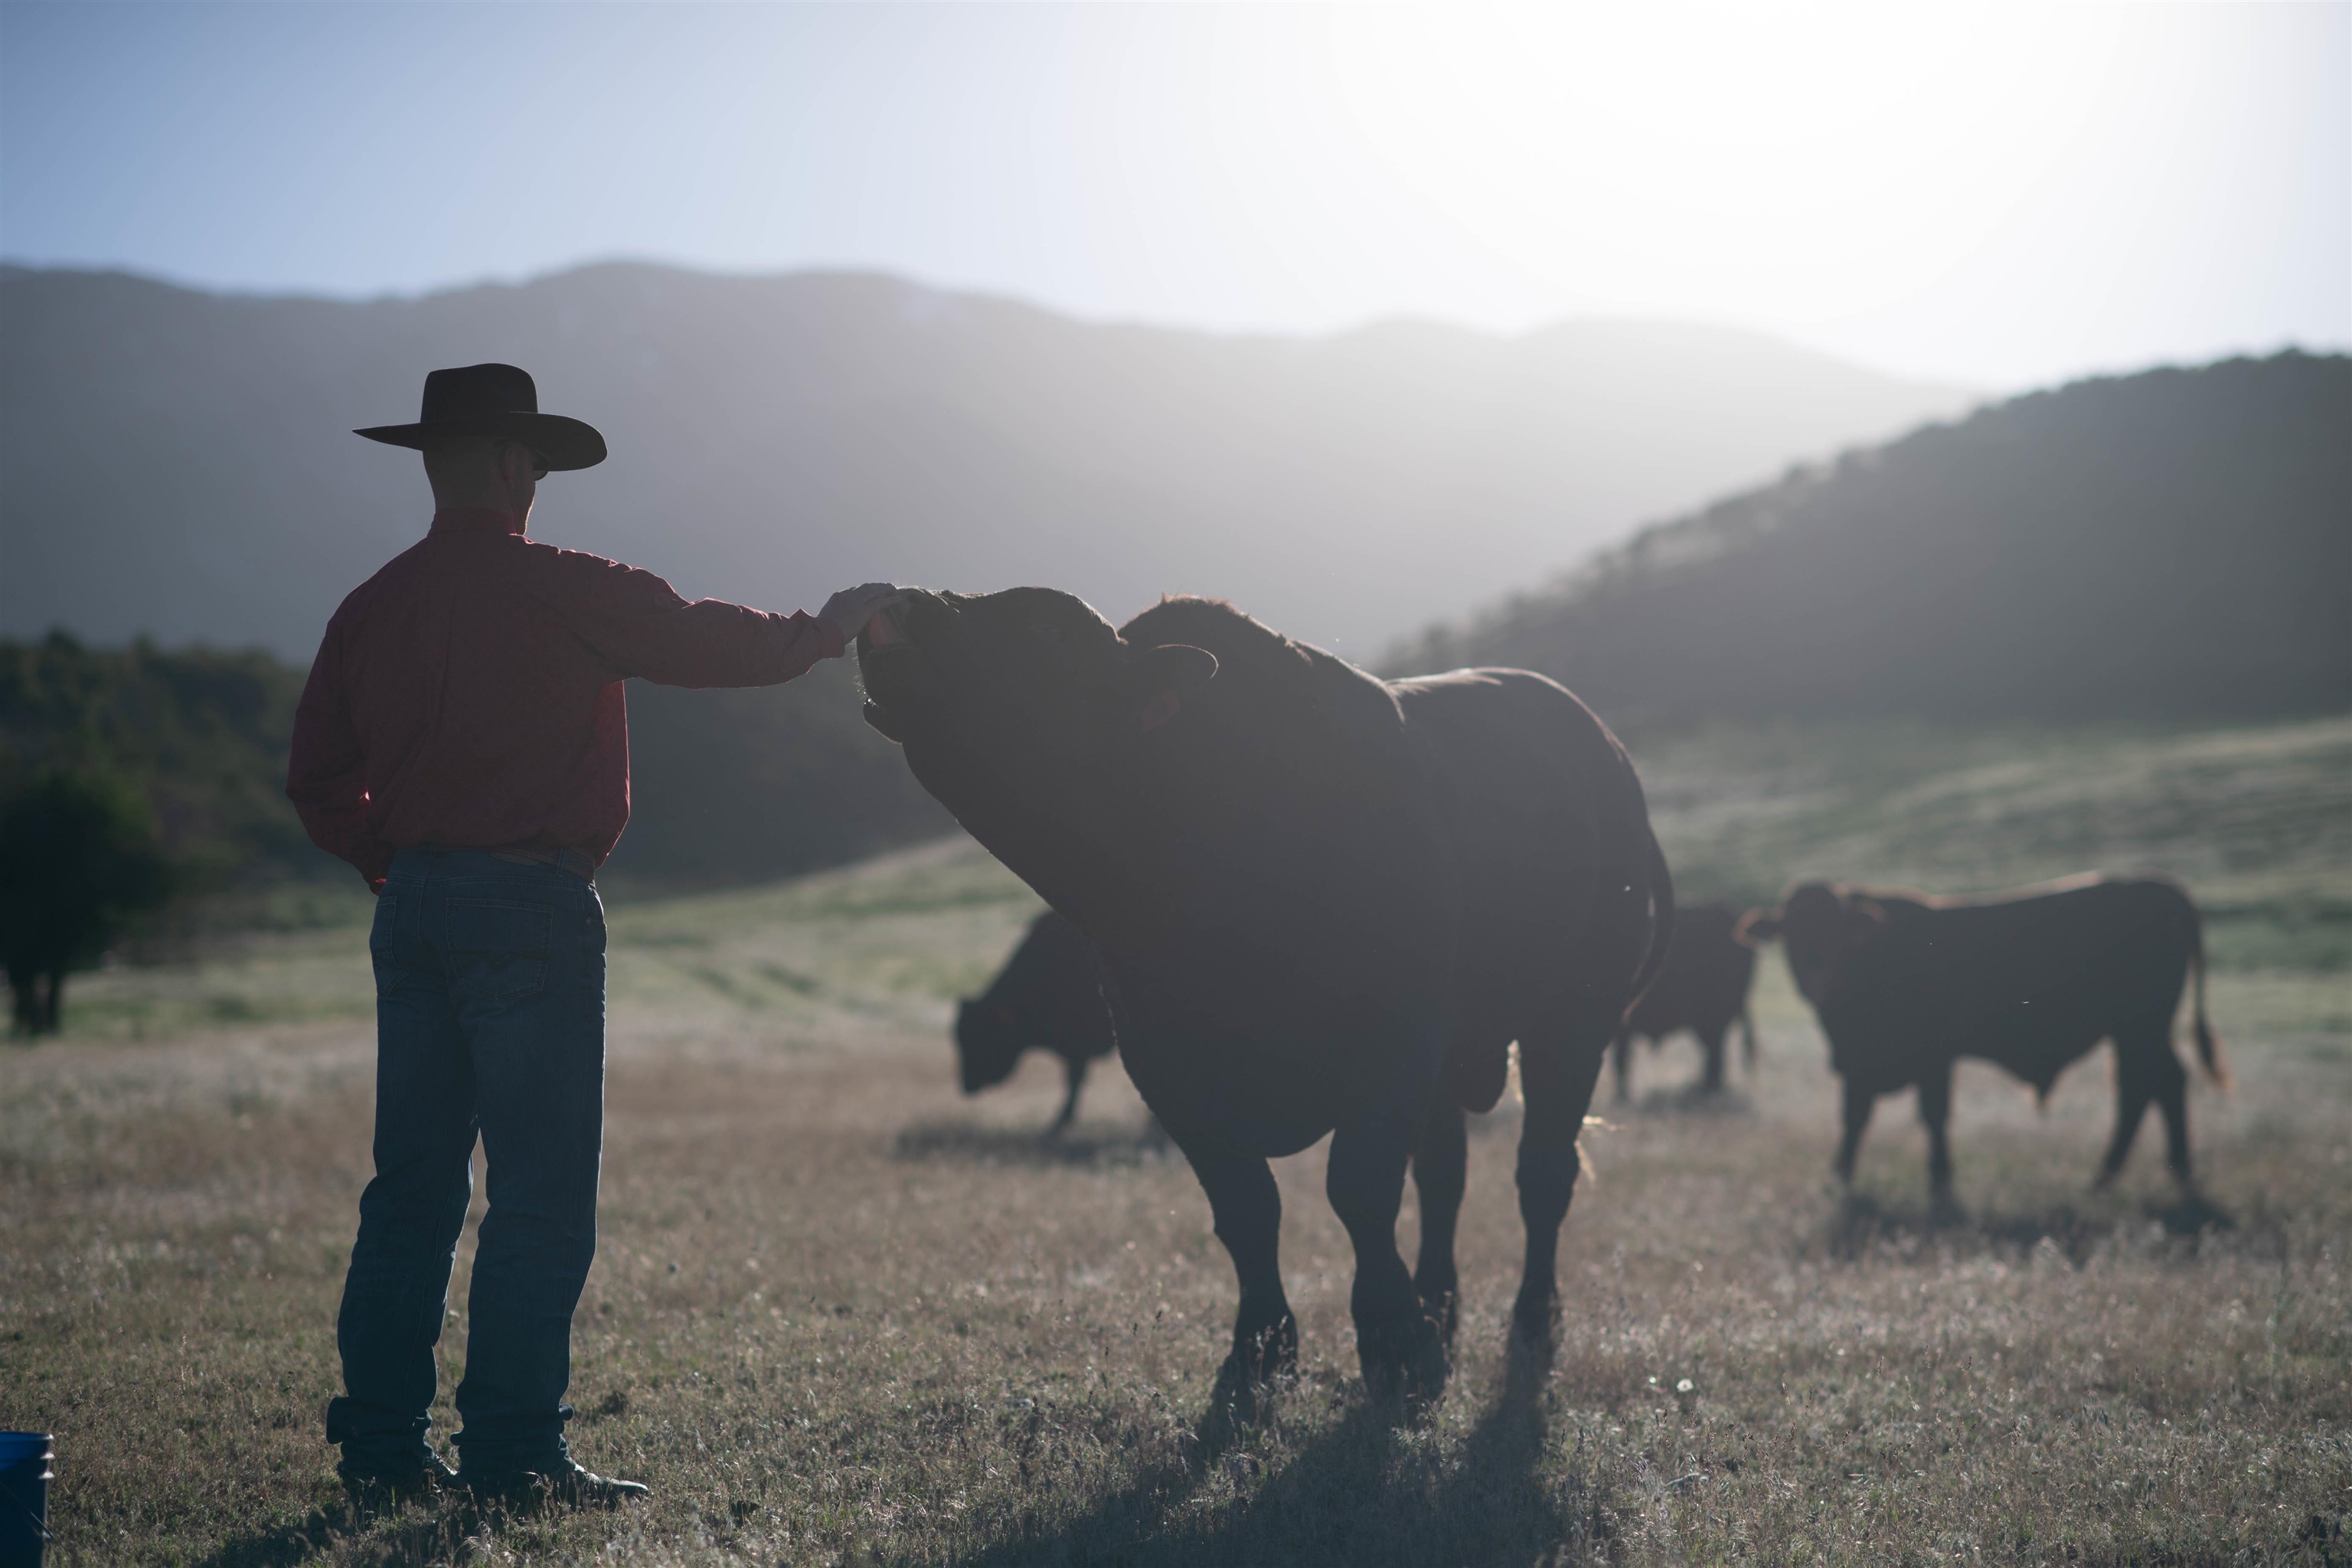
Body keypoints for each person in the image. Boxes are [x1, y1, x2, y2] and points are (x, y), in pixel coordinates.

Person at [287, 363, 903, 1509]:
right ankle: (514, 1457)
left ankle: (379, 1453)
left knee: (409, 1193)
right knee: (536, 1196)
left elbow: (317, 775)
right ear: (519, 464)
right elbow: (715, 644)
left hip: (413, 906)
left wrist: (392, 864)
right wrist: (828, 627)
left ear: (433, 461)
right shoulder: (564, 585)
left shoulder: (370, 605)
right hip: (529, 903)